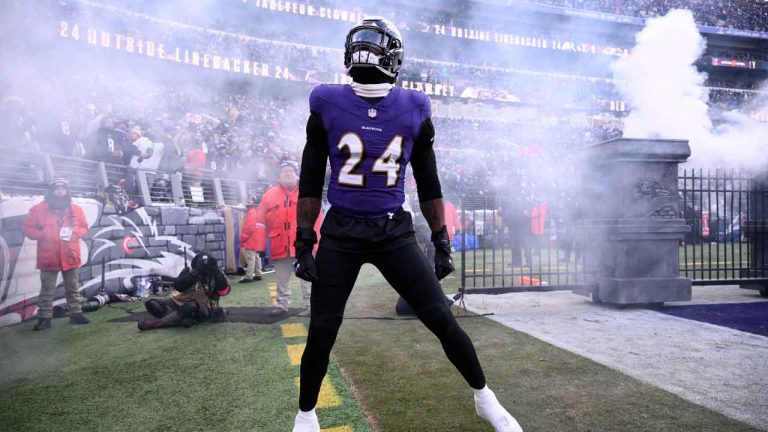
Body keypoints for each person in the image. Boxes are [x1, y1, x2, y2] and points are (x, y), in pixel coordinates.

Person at [291, 18, 523, 432]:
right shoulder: (328, 101)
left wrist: (441, 239)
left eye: (373, 43)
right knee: (322, 329)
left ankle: (485, 399)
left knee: (440, 318)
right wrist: (304, 240)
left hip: (391, 231)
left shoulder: (412, 107)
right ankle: (306, 416)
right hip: (342, 231)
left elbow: (428, 181)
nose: (365, 50)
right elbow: (310, 178)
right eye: (361, 42)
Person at [22, 178, 90, 330]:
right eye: (57, 188)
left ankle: (76, 314)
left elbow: (84, 228)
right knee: (47, 290)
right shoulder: (37, 209)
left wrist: (75, 233)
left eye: (63, 188)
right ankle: (44, 318)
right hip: (49, 256)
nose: (60, 191)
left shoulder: (76, 209)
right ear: (51, 191)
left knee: (73, 287)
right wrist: (43, 235)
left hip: (70, 254)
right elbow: (27, 229)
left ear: (67, 190)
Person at [256, 162, 321, 317]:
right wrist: (259, 246)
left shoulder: (306, 192)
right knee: (281, 278)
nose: (288, 173)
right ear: (279, 175)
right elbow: (260, 222)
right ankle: (282, 305)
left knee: (307, 276)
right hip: (279, 243)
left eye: (291, 170)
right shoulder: (269, 194)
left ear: (296, 174)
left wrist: (316, 243)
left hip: (303, 243)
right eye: (285, 171)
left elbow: (317, 218)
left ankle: (311, 306)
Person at [138, 252, 230, 331]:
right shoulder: (190, 270)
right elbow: (179, 287)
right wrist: (195, 273)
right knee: (151, 303)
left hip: (201, 307)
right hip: (179, 301)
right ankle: (181, 318)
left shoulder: (216, 273)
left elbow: (224, 292)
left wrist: (216, 273)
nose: (204, 267)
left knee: (191, 305)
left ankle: (157, 323)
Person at [239, 195, 265, 283]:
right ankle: (258, 274)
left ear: (253, 202)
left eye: (250, 199)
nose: (248, 200)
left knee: (250, 257)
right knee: (256, 257)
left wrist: (243, 238)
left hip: (251, 238)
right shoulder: (258, 211)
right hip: (257, 238)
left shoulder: (251, 212)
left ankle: (249, 276)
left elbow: (249, 227)